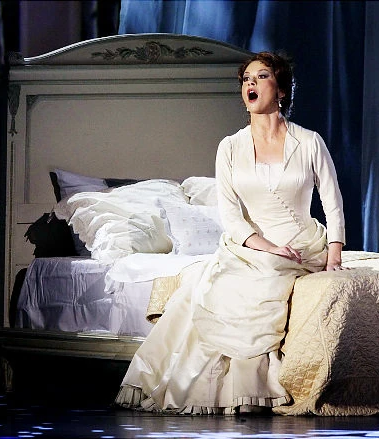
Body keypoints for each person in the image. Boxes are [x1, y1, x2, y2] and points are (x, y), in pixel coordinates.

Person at [114, 51, 346, 415]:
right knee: (199, 287)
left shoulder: (309, 142)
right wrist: (267, 247)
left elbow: (333, 202)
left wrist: (334, 254)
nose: (250, 83)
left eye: (262, 76)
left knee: (265, 278)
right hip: (249, 246)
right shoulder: (230, 147)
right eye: (246, 79)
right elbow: (232, 217)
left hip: (302, 242)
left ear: (281, 90)